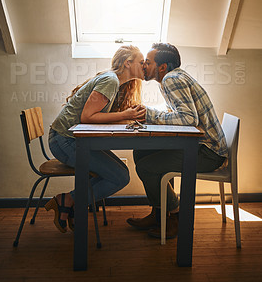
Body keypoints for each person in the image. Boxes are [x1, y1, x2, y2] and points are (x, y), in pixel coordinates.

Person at [127, 43, 228, 239]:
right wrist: (150, 112)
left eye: (148, 62)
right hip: (205, 147)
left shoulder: (171, 80)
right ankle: (159, 214)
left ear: (162, 67)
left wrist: (149, 114)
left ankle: (175, 217)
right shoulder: (176, 76)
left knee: (147, 167)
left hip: (208, 153)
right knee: (141, 153)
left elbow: (189, 119)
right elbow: (177, 113)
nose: (144, 66)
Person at [45, 45, 146, 233]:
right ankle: (68, 201)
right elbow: (88, 117)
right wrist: (126, 115)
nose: (145, 65)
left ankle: (71, 202)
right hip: (65, 141)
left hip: (70, 140)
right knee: (120, 177)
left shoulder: (113, 81)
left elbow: (96, 117)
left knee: (120, 173)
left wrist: (127, 117)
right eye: (141, 62)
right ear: (128, 63)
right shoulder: (111, 81)